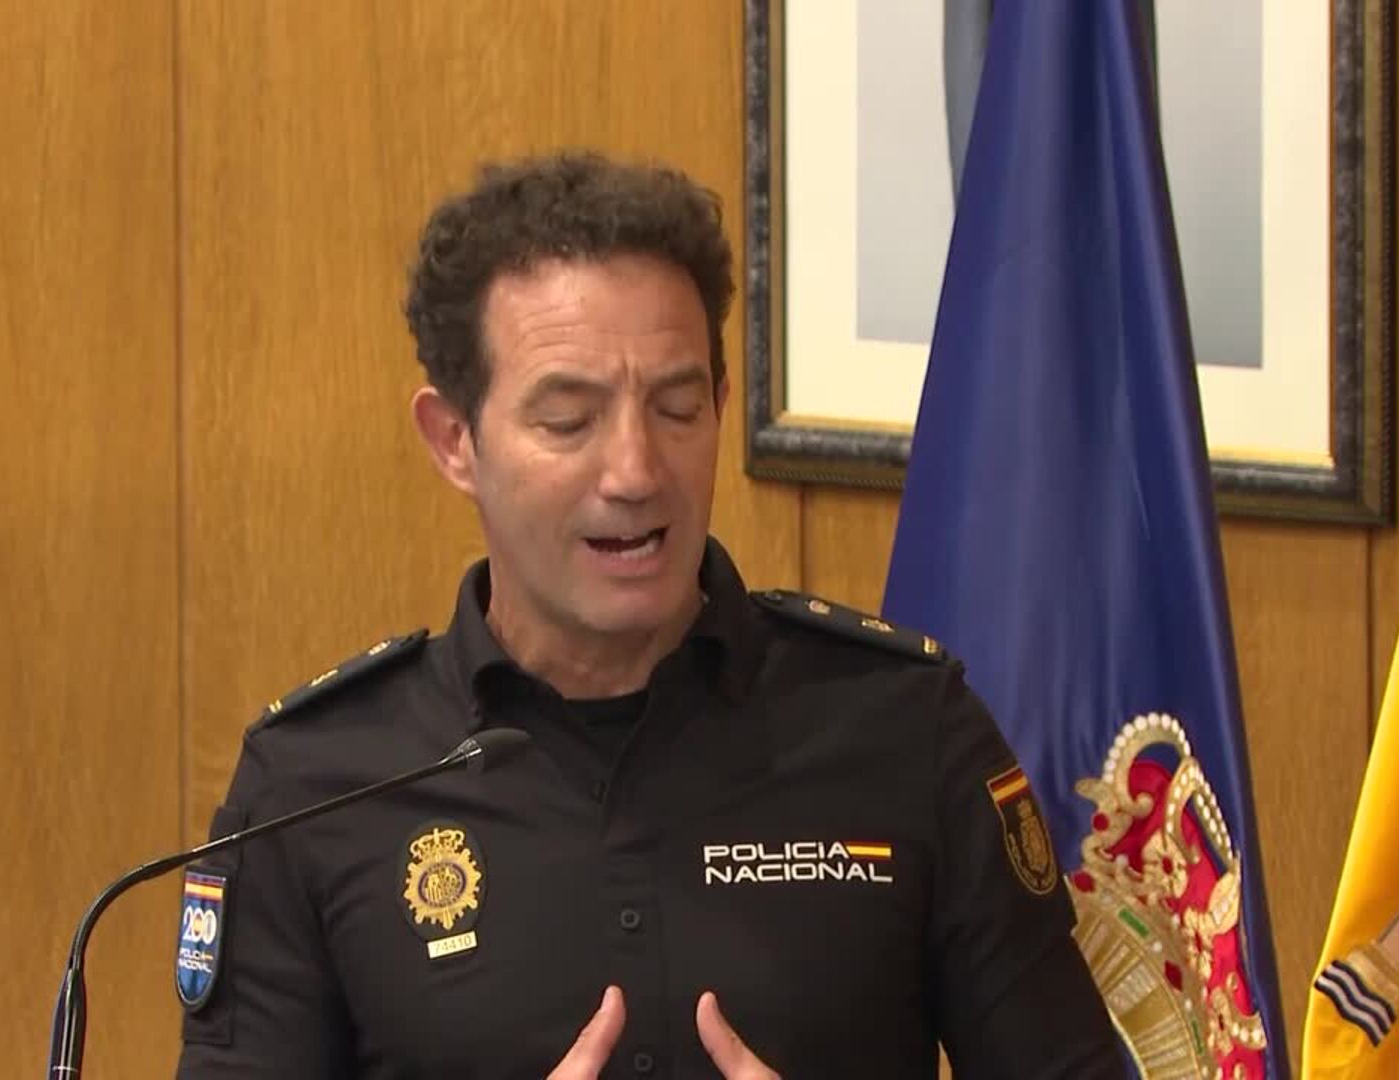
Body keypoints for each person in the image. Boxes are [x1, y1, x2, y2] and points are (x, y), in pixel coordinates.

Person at [175, 151, 1125, 1078]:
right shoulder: (314, 788)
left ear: (720, 404)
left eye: (676, 408)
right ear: (455, 439)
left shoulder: (907, 730)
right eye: (569, 421)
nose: (635, 472)